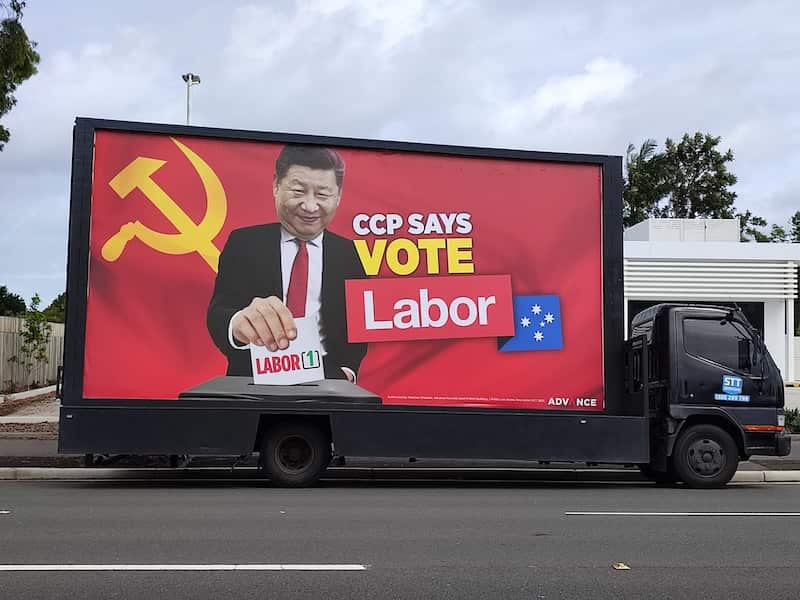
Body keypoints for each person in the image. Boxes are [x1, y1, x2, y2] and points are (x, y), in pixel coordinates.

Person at [206, 145, 368, 380]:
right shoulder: (244, 243)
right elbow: (219, 312)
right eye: (299, 191)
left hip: (327, 379)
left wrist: (347, 371)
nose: (310, 206)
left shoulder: (347, 252)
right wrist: (238, 324)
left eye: (322, 195)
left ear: (338, 196)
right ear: (276, 185)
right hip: (253, 380)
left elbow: (357, 323)